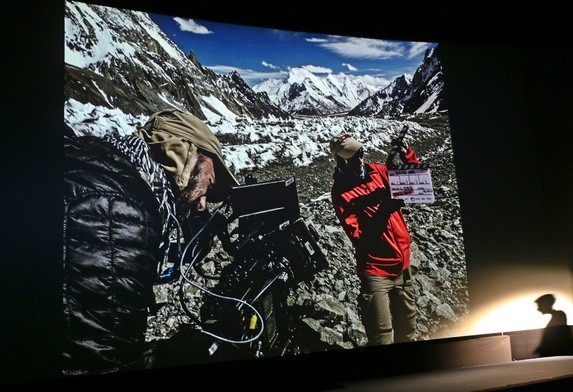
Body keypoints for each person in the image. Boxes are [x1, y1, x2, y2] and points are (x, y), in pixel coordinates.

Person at [63, 108, 238, 376]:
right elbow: (98, 361)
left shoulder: (98, 166)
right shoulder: (122, 213)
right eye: (208, 185)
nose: (203, 204)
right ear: (185, 152)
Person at [329, 133, 420, 346]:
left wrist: (407, 153)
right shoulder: (341, 193)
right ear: (339, 160)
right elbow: (359, 238)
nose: (358, 160)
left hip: (402, 263)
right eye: (350, 157)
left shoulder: (379, 170)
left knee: (408, 330)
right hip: (376, 270)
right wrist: (384, 211)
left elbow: (415, 181)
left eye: (359, 153)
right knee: (382, 337)